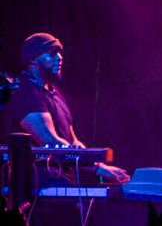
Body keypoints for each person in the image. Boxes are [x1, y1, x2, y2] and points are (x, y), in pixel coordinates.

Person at [8, 32, 129, 182]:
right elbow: (51, 143)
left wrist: (99, 164)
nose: (59, 57)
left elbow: (73, 142)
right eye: (52, 53)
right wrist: (96, 168)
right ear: (33, 59)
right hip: (38, 189)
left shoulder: (53, 93)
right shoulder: (26, 93)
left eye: (59, 52)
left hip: (61, 179)